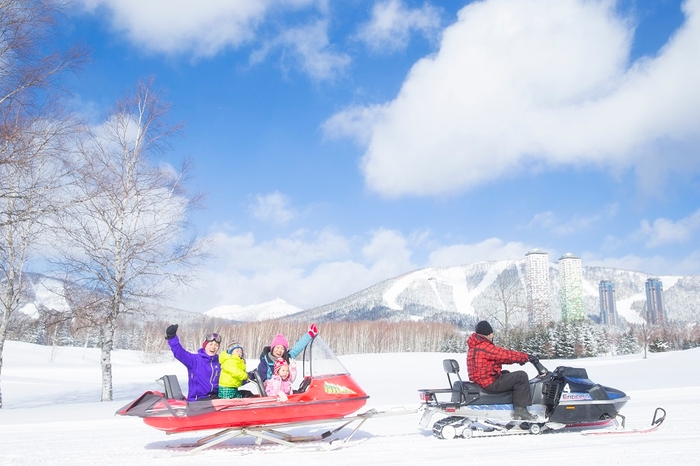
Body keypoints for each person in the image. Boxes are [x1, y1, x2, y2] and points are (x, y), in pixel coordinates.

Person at [466, 320, 538, 420]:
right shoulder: (485, 347)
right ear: (489, 334)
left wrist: (519, 360)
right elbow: (505, 355)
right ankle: (520, 410)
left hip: (480, 380)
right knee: (521, 376)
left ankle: (510, 406)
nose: (492, 336)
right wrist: (526, 357)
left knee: (506, 374)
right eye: (492, 334)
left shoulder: (474, 346)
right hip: (489, 382)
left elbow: (500, 358)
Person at [165, 324, 221, 401]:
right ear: (205, 346)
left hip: (215, 398)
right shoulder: (194, 360)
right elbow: (179, 353)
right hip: (198, 400)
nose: (213, 347)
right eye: (210, 344)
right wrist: (172, 337)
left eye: (216, 345)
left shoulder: (219, 362)